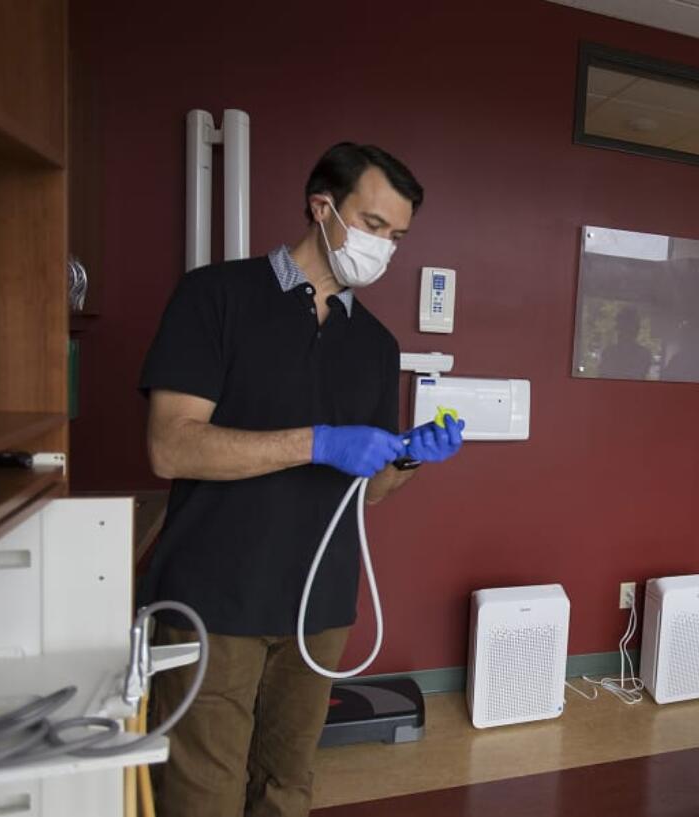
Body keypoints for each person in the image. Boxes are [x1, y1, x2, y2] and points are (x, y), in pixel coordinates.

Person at [139, 142, 464, 817]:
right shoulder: (216, 295)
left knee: (286, 787)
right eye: (374, 226)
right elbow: (171, 447)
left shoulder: (375, 344)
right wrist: (315, 441)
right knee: (203, 793)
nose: (384, 249)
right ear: (323, 207)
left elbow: (368, 492)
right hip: (213, 600)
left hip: (317, 608)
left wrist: (408, 456)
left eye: (397, 237)